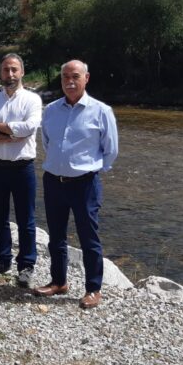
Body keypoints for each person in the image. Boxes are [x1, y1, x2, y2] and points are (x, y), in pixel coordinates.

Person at [34, 60, 118, 309]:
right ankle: (59, 281)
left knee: (88, 237)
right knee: (56, 236)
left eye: (75, 76)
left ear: (86, 78)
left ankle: (93, 288)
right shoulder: (51, 110)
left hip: (85, 184)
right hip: (54, 181)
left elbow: (111, 150)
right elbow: (47, 142)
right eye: (65, 77)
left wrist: (90, 169)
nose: (70, 81)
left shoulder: (101, 111)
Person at [0, 53, 42, 288]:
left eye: (14, 69)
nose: (10, 74)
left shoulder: (33, 100)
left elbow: (29, 127)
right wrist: (5, 133)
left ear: (22, 72)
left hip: (23, 168)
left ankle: (26, 266)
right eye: (6, 70)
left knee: (26, 220)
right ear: (0, 73)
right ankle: (3, 260)